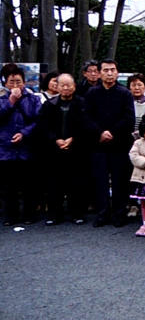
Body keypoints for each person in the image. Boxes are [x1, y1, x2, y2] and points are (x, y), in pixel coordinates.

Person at [39, 74, 94, 225]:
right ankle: (54, 214)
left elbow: (87, 125)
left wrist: (73, 138)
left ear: (74, 86)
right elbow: (43, 126)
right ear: (57, 87)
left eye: (69, 85)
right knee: (54, 183)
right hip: (54, 150)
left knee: (77, 183)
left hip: (77, 149)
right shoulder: (49, 104)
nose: (66, 88)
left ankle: (77, 213)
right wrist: (55, 139)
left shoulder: (83, 103)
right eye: (62, 85)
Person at [86, 59, 136, 227]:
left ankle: (119, 213)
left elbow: (129, 119)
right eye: (106, 70)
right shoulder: (92, 93)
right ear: (99, 73)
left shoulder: (125, 93)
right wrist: (100, 132)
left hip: (120, 143)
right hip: (98, 143)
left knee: (119, 180)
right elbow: (86, 117)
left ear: (117, 72)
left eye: (112, 70)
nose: (109, 73)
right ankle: (102, 213)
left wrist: (112, 132)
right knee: (99, 180)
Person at [0, 65, 41, 226]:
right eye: (11, 82)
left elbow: (38, 120)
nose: (15, 85)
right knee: (8, 185)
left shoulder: (33, 99)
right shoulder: (2, 98)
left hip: (27, 147)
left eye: (18, 81)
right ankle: (11, 215)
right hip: (5, 148)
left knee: (28, 183)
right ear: (5, 83)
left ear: (24, 82)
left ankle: (30, 213)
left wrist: (24, 133)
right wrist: (11, 100)